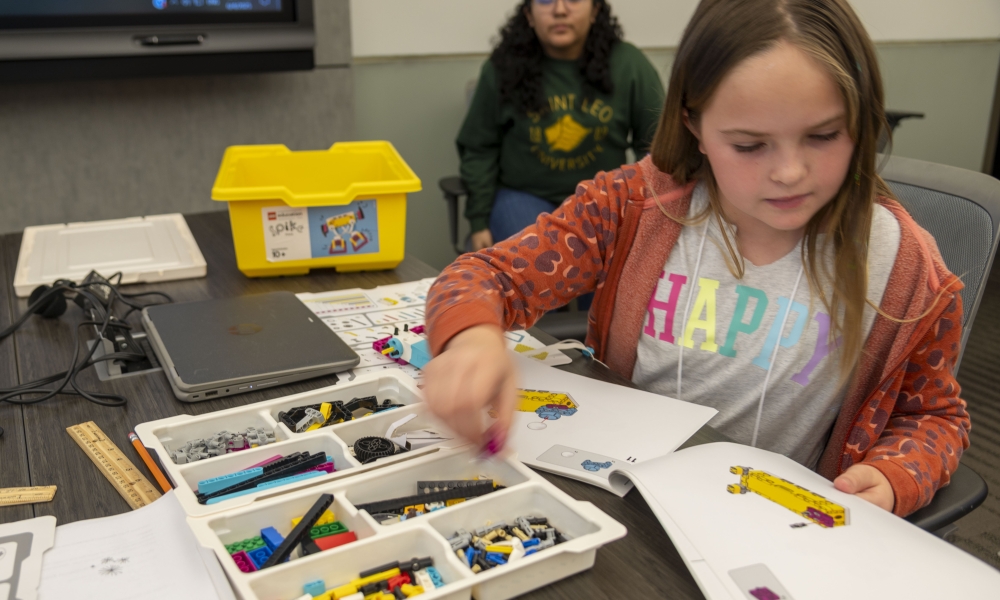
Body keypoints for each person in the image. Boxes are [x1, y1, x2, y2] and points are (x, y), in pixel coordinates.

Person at [423, 0, 970, 518]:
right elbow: (485, 274)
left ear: (863, 119)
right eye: (750, 145)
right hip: (624, 502)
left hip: (767, 523)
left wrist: (899, 475)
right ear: (693, 125)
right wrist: (472, 339)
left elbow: (934, 416)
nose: (789, 173)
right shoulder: (630, 207)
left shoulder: (905, 267)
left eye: (823, 135)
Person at [458, 0, 664, 252]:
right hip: (523, 195)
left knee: (608, 282)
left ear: (595, 11)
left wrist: (653, 215)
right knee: (539, 263)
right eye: (545, 0)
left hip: (603, 200)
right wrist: (478, 221)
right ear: (529, 15)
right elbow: (479, 148)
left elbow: (658, 146)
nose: (559, 10)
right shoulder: (501, 67)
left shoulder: (629, 64)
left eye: (574, 0)